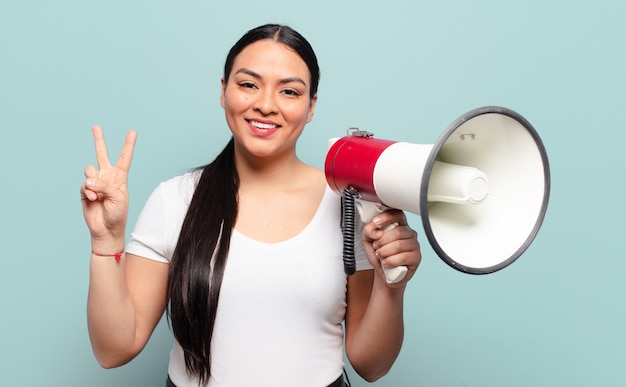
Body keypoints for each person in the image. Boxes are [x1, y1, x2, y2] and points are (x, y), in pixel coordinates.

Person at [80, 24, 422, 387]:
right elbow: (113, 349)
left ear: (310, 107)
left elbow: (371, 365)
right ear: (223, 91)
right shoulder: (174, 200)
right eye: (247, 84)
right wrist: (106, 243)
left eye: (289, 91)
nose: (266, 104)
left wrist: (391, 286)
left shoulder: (348, 206)